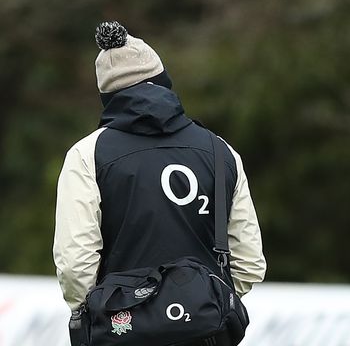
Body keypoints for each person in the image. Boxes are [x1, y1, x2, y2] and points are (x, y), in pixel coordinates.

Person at [53, 21, 266, 345]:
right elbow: (248, 262)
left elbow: (75, 264)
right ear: (164, 82)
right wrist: (199, 306)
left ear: (108, 97)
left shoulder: (86, 155)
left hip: (122, 331)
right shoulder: (220, 150)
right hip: (207, 331)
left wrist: (102, 317)